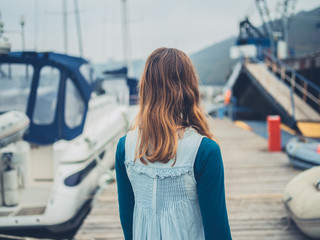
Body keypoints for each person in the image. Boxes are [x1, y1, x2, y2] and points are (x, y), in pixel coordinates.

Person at [115, 47, 232, 240]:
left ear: (146, 88)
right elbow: (217, 231)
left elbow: (127, 219)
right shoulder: (204, 151)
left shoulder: (124, 147)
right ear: (189, 89)